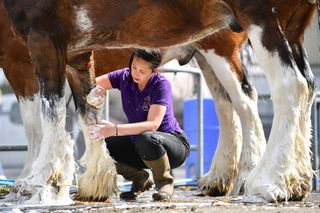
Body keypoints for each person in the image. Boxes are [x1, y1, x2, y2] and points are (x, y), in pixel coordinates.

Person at [86, 48, 190, 201]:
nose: (136, 73)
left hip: (173, 146)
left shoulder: (161, 84)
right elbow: (93, 83)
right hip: (140, 145)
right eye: (134, 67)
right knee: (103, 143)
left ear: (154, 71)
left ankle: (164, 183)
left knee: (147, 137)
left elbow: (153, 125)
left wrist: (114, 129)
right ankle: (139, 178)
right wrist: (98, 89)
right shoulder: (123, 76)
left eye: (142, 71)